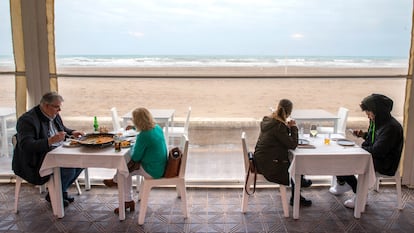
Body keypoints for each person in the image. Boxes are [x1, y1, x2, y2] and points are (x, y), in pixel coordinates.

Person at [329, 93, 404, 208]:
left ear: (378, 111)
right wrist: (363, 135)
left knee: (344, 160)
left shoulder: (391, 128)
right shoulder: (378, 122)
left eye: (369, 113)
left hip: (385, 163)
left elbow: (378, 150)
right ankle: (342, 183)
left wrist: (357, 149)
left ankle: (359, 194)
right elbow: (375, 140)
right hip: (373, 156)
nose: (368, 116)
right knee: (340, 155)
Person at [12, 91, 84, 207]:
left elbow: (61, 129)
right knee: (69, 167)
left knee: (82, 161)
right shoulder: (27, 120)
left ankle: (60, 191)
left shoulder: (52, 114)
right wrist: (50, 141)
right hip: (34, 161)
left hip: (55, 152)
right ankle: (55, 195)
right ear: (46, 106)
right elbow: (26, 145)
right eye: (57, 107)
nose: (59, 110)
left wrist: (72, 132)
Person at [103, 107, 168, 214]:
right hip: (160, 166)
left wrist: (133, 146)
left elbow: (136, 157)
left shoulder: (144, 135)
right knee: (125, 169)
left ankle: (124, 196)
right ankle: (119, 186)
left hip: (152, 171)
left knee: (123, 171)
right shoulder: (156, 128)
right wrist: (134, 128)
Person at [253, 99, 312, 207]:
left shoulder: (270, 120)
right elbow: (293, 144)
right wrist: (294, 128)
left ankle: (299, 187)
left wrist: (287, 128)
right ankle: (298, 189)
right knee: (297, 165)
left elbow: (281, 139)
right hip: (269, 166)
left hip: (261, 160)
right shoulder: (279, 126)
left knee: (295, 164)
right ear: (289, 113)